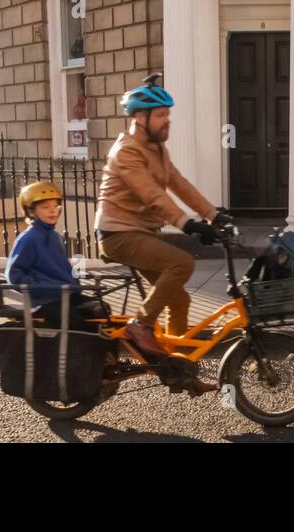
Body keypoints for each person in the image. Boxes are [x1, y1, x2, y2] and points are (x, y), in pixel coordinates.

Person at [94, 76, 220, 394]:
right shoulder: (126, 152)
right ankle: (141, 325)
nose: (168, 121)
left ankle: (182, 372)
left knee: (180, 300)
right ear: (140, 117)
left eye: (168, 114)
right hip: (118, 233)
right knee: (182, 263)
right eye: (161, 115)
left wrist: (214, 215)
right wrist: (187, 224)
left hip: (141, 233)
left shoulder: (157, 149)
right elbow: (153, 195)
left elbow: (178, 184)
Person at [6, 181, 104, 332]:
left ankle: (106, 355)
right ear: (31, 212)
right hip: (45, 301)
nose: (52, 211)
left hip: (65, 295)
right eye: (45, 207)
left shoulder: (54, 236)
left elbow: (60, 269)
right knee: (80, 325)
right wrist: (43, 287)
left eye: (55, 206)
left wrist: (74, 280)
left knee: (103, 311)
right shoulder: (29, 238)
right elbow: (14, 275)